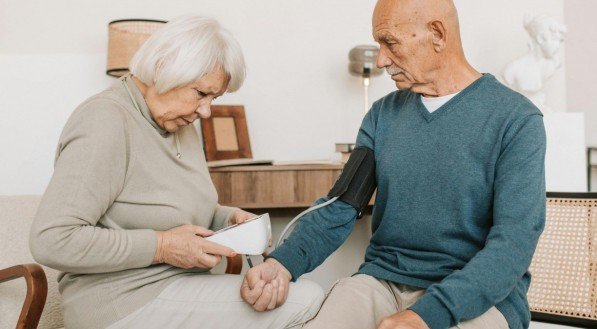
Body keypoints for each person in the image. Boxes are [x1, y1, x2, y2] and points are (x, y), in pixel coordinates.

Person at [240, 1, 546, 329]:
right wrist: (282, 264)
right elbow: (338, 209)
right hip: (383, 282)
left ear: (437, 34)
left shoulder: (516, 120)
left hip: (476, 298)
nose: (382, 59)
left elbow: (513, 244)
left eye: (390, 42)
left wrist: (428, 315)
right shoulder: (381, 116)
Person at [29, 15, 323, 329]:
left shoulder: (179, 126)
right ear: (163, 69)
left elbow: (168, 209)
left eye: (215, 98)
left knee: (295, 295)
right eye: (201, 94)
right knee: (305, 299)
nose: (207, 111)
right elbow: (52, 239)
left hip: (176, 287)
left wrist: (228, 219)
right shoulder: (106, 121)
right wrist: (163, 247)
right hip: (121, 301)